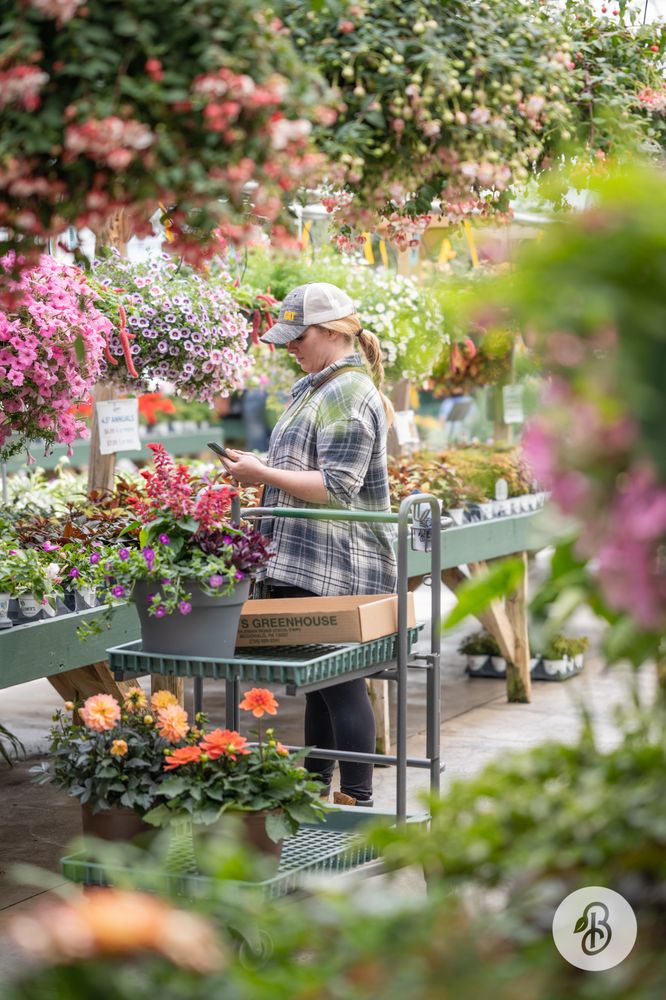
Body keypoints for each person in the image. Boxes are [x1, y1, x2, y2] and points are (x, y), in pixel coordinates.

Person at [215, 282, 397, 806]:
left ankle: (357, 800)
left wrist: (262, 473)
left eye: (299, 337)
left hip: (336, 564)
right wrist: (258, 469)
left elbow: (337, 486)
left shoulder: (346, 392)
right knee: (323, 684)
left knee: (340, 686)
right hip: (312, 559)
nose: (290, 347)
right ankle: (317, 796)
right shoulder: (318, 387)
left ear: (331, 331)